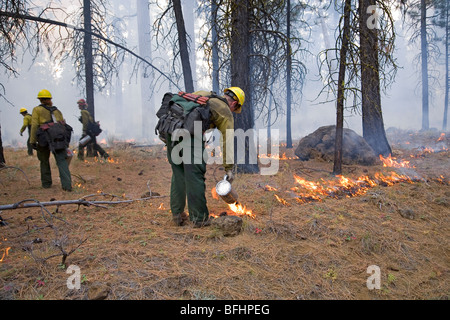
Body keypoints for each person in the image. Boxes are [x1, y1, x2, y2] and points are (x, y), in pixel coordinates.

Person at [167, 87, 245, 228]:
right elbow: (227, 141)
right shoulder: (225, 110)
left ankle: (177, 215)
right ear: (234, 104)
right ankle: (199, 219)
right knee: (195, 175)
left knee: (179, 173)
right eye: (235, 109)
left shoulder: (203, 94)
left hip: (170, 129)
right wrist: (229, 168)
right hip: (189, 134)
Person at [30, 89, 72, 191]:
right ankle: (67, 186)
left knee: (44, 160)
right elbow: (63, 126)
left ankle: (46, 184)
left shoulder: (37, 110)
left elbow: (34, 125)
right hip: (58, 139)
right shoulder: (57, 111)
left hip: (43, 139)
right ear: (50, 99)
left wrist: (32, 140)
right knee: (62, 161)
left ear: (40, 100)